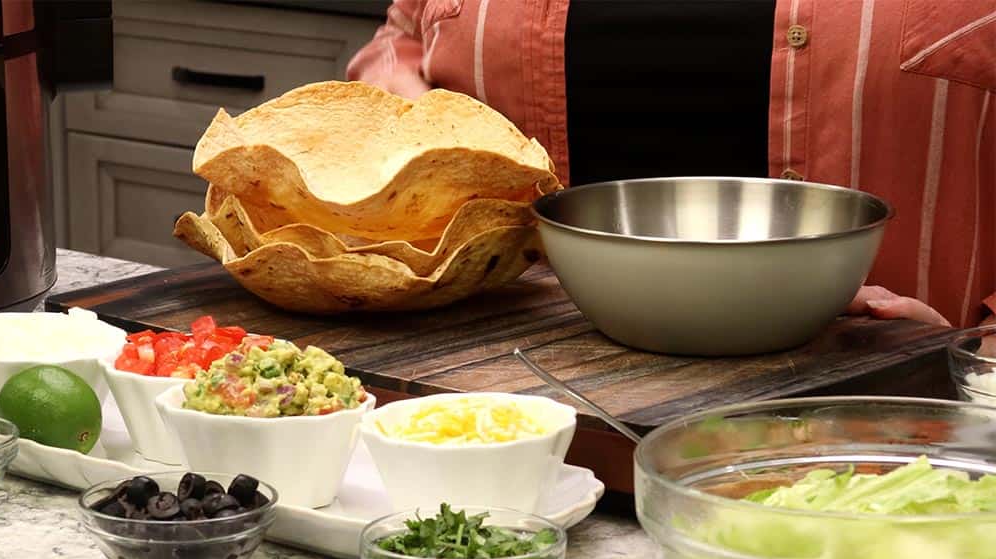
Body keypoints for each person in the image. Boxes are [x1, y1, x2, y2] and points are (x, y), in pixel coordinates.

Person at [348, 0, 995, 328]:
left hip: (897, 457)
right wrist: (408, 135)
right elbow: (404, 38)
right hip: (508, 429)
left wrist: (979, 371)